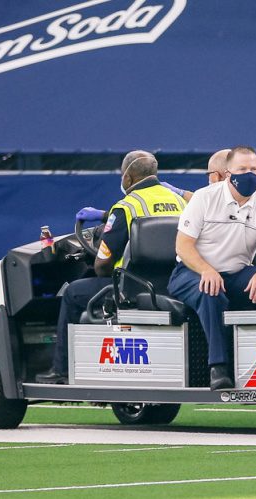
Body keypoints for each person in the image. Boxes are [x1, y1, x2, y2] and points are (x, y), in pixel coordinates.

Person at [37, 151, 188, 383]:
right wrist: (105, 217)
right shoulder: (179, 202)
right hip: (174, 286)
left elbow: (102, 265)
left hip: (131, 290)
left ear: (128, 178)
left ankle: (61, 370)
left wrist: (98, 258)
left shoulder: (126, 207)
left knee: (72, 293)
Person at [168, 146, 256, 390]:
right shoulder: (204, 198)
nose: (250, 174)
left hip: (235, 274)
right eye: (242, 169)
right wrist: (206, 269)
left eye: (254, 169)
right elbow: (183, 246)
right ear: (227, 173)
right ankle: (219, 368)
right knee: (211, 290)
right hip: (191, 271)